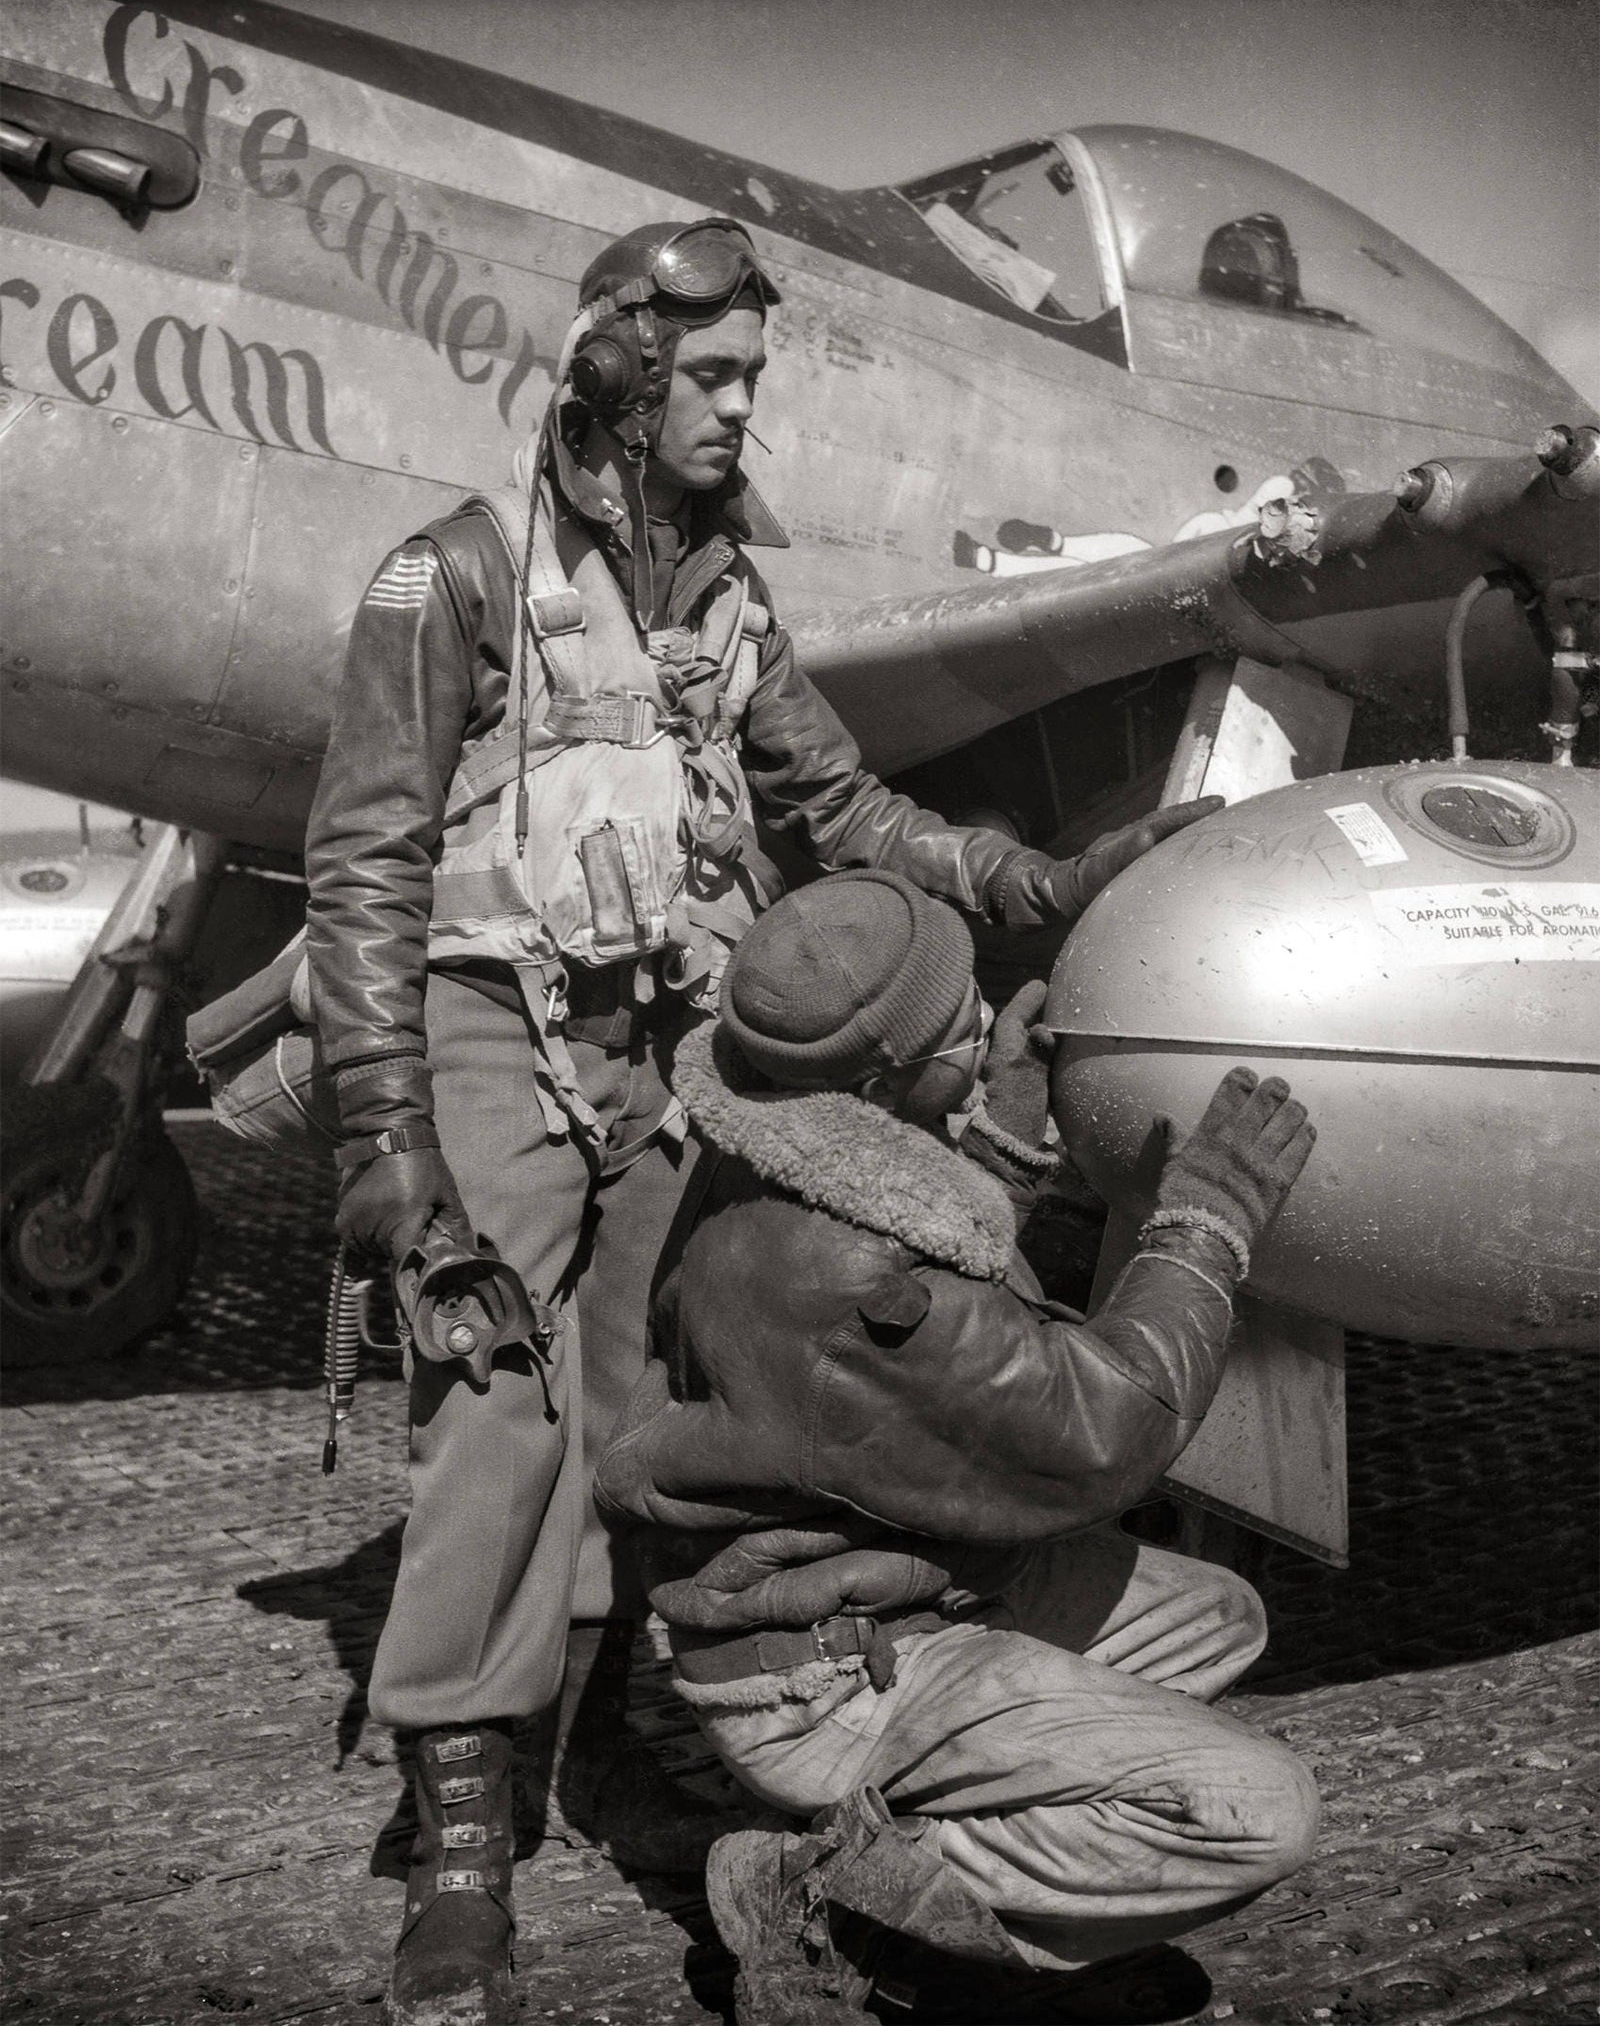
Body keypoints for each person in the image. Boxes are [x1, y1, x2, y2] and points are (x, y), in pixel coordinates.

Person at [304, 215, 1218, 2025]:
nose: (741, 411)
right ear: (627, 383)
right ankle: (464, 1830)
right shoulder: (454, 579)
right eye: (713, 379)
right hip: (494, 1031)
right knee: (495, 1409)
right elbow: (365, 870)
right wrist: (392, 1148)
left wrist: (1039, 876)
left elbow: (846, 810)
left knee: (658, 1409)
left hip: (663, 1033)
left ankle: (643, 1735)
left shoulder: (724, 590)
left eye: (750, 380)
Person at [596, 871, 1320, 2026]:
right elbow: (1096, 1426)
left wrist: (1002, 1125)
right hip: (820, 1676)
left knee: (1217, 1614)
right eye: (962, 1029)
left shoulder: (768, 1141)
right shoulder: (851, 1289)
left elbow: (906, 1221)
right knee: (1258, 1809)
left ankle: (919, 1819)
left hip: (856, 1592)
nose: (987, 1023)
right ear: (885, 1080)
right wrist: (1207, 1218)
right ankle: (824, 1903)